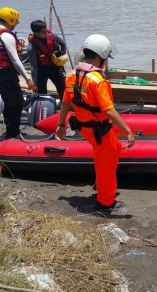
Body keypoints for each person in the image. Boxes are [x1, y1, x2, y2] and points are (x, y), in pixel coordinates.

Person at [55, 34, 135, 213]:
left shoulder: (73, 76)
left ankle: (102, 186)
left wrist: (61, 125)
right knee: (105, 164)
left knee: (112, 151)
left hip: (85, 128)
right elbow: (108, 109)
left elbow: (66, 103)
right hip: (99, 130)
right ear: (100, 57)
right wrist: (128, 130)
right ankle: (105, 203)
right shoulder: (99, 82)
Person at [0, 7, 37, 139]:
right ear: (10, 20)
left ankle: (10, 131)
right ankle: (13, 133)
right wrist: (28, 79)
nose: (16, 23)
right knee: (16, 103)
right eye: (16, 21)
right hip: (6, 74)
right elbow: (16, 61)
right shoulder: (6, 36)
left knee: (9, 102)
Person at [27, 20, 67, 99]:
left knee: (63, 88)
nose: (46, 32)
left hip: (54, 66)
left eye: (46, 30)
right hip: (41, 69)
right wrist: (34, 83)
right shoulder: (31, 47)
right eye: (43, 32)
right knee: (41, 92)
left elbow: (63, 44)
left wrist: (61, 58)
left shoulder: (53, 37)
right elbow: (33, 66)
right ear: (36, 33)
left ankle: (66, 107)